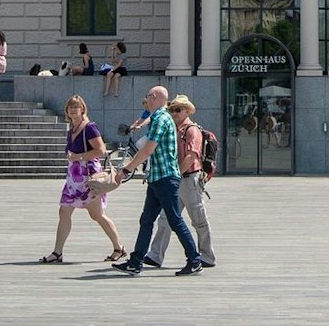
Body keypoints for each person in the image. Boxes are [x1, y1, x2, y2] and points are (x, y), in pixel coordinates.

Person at [111, 85, 205, 276]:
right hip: (158, 177)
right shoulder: (157, 118)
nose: (146, 101)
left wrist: (127, 168)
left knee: (175, 220)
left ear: (154, 97)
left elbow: (148, 149)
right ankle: (135, 262)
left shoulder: (161, 119)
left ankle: (195, 260)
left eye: (148, 97)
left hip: (166, 178)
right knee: (147, 220)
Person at [41, 95, 126, 265]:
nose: (73, 110)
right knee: (64, 211)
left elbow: (101, 150)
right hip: (73, 179)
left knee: (97, 215)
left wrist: (78, 157)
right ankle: (57, 252)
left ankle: (119, 247)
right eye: (70, 107)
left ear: (82, 109)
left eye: (76, 107)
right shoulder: (72, 129)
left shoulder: (89, 128)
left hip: (88, 178)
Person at [143, 95, 215, 268]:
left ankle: (207, 256)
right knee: (165, 219)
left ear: (187, 111)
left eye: (178, 109)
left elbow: (191, 157)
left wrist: (175, 174)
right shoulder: (173, 128)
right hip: (176, 179)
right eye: (172, 109)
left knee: (199, 220)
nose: (174, 113)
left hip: (189, 179)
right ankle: (155, 255)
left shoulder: (192, 130)